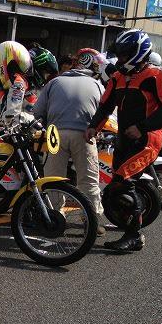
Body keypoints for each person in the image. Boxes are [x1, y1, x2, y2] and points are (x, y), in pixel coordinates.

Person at [85, 29, 162, 252]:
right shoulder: (117, 77)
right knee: (115, 186)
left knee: (124, 183)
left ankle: (134, 235)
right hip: (123, 139)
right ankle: (129, 224)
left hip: (147, 140)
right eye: (121, 54)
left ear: (139, 53)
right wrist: (92, 128)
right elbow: (105, 106)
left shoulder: (156, 76)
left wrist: (142, 127)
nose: (121, 58)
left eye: (125, 54)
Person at [33, 49, 105, 230]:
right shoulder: (97, 84)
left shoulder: (55, 82)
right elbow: (106, 111)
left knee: (53, 177)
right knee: (88, 179)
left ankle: (54, 216)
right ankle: (92, 220)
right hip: (84, 134)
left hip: (54, 133)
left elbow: (37, 112)